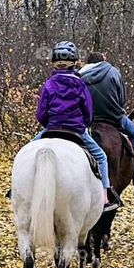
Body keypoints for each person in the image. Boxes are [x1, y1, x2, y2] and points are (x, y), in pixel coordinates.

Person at [35, 41, 117, 208]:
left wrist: (48, 125)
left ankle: (15, 189)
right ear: (74, 63)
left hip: (51, 129)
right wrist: (83, 124)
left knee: (24, 152)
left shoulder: (49, 84)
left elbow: (41, 113)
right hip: (76, 131)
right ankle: (105, 196)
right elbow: (88, 112)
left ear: (54, 63)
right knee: (101, 157)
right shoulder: (80, 84)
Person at [79, 51, 134, 184]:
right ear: (103, 60)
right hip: (114, 117)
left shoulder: (81, 75)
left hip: (89, 120)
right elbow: (122, 99)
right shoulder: (114, 72)